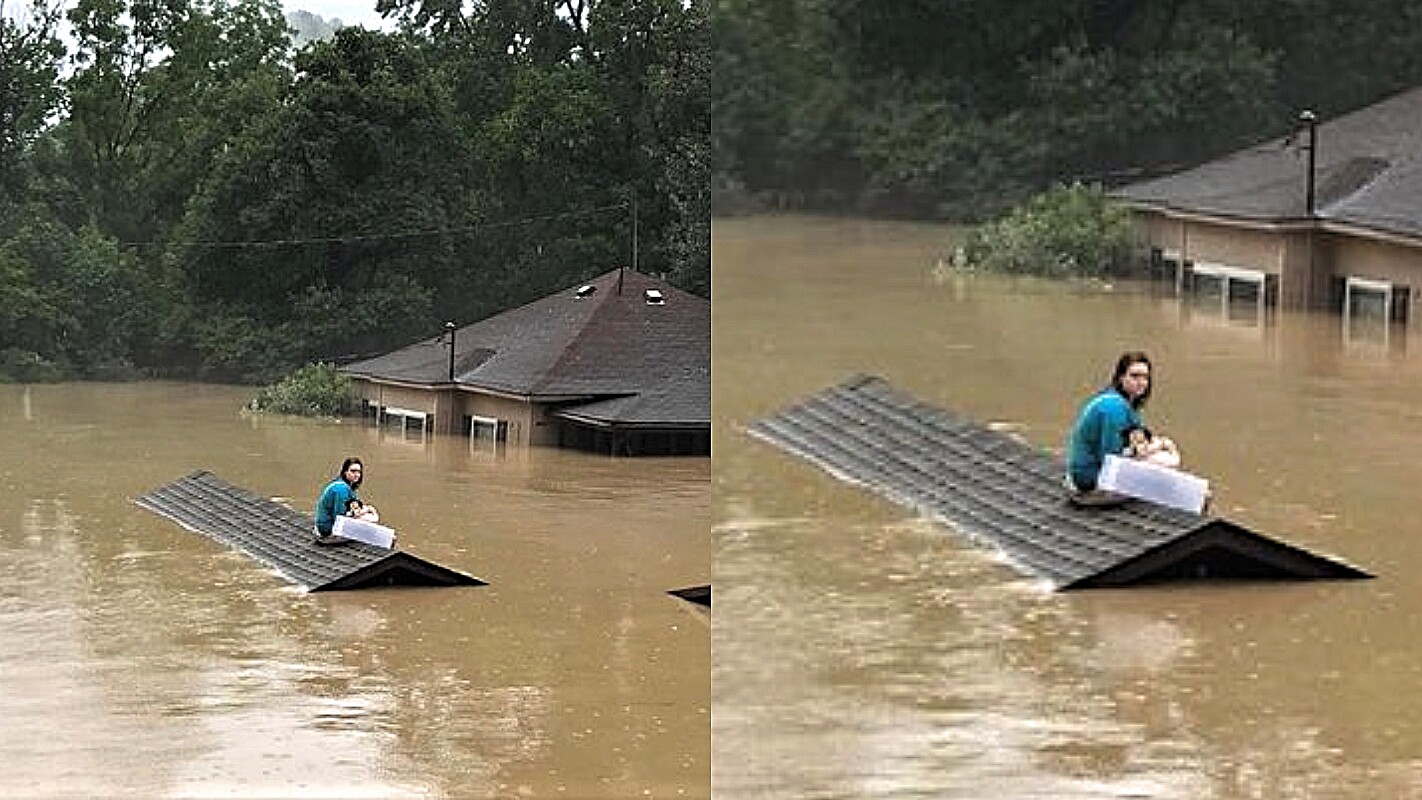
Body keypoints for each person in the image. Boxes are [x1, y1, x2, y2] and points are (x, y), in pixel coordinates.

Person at [1065, 351, 1154, 504]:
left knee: (1160, 457)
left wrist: (1152, 446)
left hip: (1083, 474)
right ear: (1121, 377)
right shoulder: (1114, 408)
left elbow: (1140, 437)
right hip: (1089, 481)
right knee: (1167, 461)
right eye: (1134, 376)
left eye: (1145, 377)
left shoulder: (1124, 403)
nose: (1141, 382)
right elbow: (1111, 459)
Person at [313, 457, 380, 544]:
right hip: (327, 531)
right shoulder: (341, 489)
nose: (356, 474)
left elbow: (354, 507)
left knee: (369, 518)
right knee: (373, 519)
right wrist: (365, 511)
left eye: (359, 472)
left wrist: (363, 510)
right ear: (345, 472)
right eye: (353, 471)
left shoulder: (345, 485)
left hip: (324, 526)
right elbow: (340, 517)